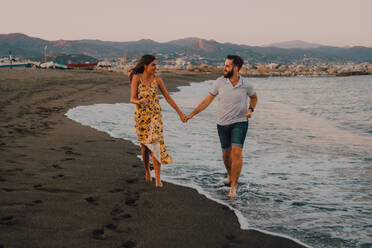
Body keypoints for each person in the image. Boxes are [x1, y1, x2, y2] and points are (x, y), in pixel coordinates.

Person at [185, 55, 258, 198]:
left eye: (228, 65)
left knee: (236, 153)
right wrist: (192, 114)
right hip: (222, 124)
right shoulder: (219, 82)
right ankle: (230, 177)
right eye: (225, 65)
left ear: (236, 68)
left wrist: (250, 110)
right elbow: (207, 100)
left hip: (240, 122)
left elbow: (254, 98)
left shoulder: (246, 84)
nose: (224, 68)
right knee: (226, 154)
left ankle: (233, 187)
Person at [130, 54, 187, 187]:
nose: (156, 67)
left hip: (155, 116)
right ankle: (147, 172)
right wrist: (139, 101)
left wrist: (180, 113)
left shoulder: (158, 80)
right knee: (144, 147)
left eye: (156, 65)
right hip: (141, 117)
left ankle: (158, 178)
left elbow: (168, 98)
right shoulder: (136, 78)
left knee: (156, 144)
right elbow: (132, 98)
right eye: (153, 65)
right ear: (145, 66)